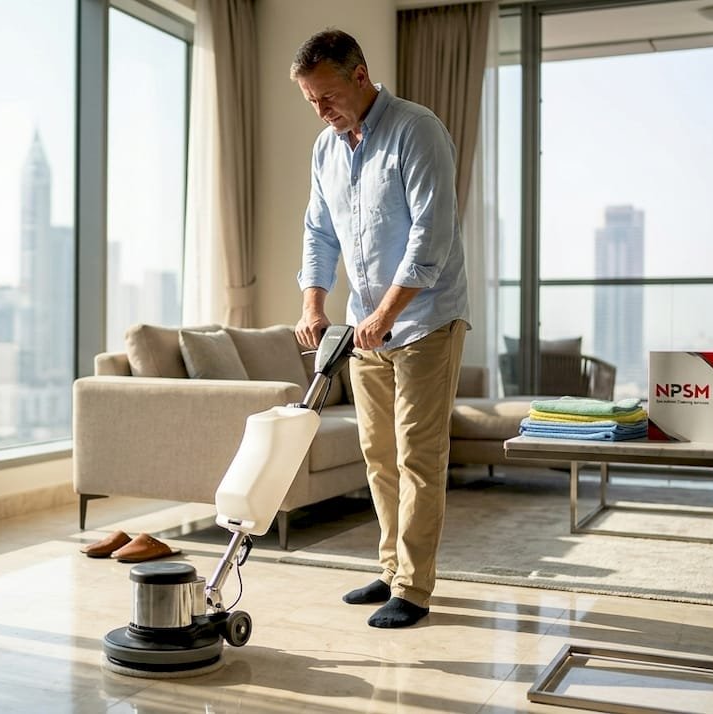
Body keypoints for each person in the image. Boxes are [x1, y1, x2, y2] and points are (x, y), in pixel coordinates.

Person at [291, 29, 469, 629]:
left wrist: (386, 314)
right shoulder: (326, 149)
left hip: (424, 320)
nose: (320, 110)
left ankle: (415, 589)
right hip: (364, 327)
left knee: (419, 455)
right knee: (379, 454)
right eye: (311, 100)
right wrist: (314, 305)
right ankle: (392, 567)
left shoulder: (417, 131)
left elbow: (431, 238)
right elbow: (317, 232)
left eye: (327, 95)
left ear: (360, 76)